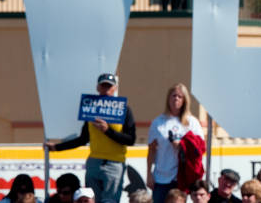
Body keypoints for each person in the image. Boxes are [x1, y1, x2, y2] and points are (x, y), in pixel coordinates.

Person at [45, 73, 136, 203]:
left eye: (109, 86)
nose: (106, 89)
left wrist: (107, 131)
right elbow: (83, 139)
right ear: (97, 87)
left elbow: (130, 139)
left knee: (110, 201)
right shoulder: (91, 108)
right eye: (103, 86)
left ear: (115, 88)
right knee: (91, 200)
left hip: (114, 163)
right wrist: (57, 147)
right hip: (94, 162)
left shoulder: (124, 109)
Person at [147, 83, 204, 203]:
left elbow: (200, 149)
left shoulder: (192, 122)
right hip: (161, 177)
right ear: (168, 98)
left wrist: (182, 145)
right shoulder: (158, 122)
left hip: (182, 178)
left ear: (185, 100)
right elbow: (152, 150)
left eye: (180, 96)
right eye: (173, 96)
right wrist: (149, 174)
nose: (176, 99)